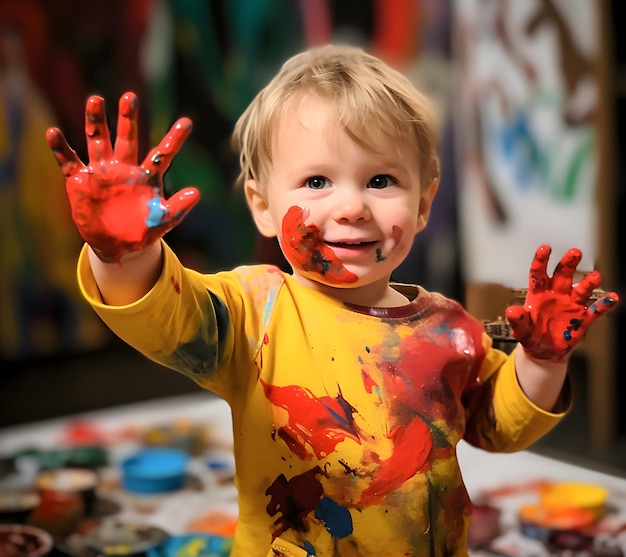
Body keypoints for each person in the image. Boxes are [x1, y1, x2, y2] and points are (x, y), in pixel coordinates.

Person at [46, 45, 619, 557]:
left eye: (381, 181)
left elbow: (501, 424)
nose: (351, 207)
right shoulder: (255, 311)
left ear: (423, 204)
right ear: (262, 204)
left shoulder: (449, 327)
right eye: (317, 182)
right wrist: (119, 252)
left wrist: (542, 360)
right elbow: (162, 316)